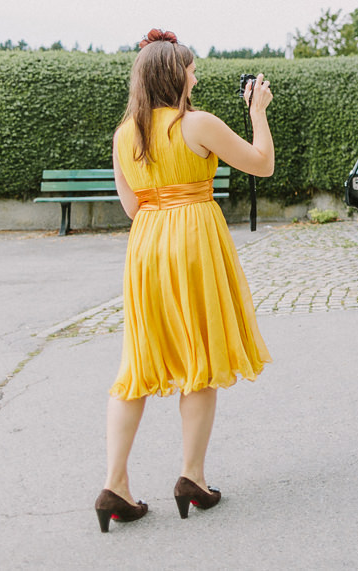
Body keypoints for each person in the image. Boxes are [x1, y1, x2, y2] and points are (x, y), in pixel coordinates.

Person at [98, 30, 273, 533]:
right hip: (193, 240)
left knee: (140, 359)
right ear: (176, 75)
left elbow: (132, 208)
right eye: (191, 68)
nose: (195, 75)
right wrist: (257, 111)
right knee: (199, 352)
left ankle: (115, 483)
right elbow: (262, 164)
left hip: (147, 245)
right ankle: (191, 478)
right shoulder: (197, 124)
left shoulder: (124, 134)